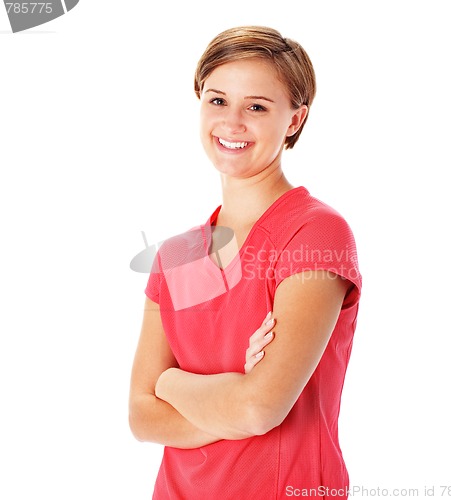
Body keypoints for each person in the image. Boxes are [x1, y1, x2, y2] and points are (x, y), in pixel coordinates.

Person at [129, 26, 362, 499]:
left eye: (256, 106)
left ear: (295, 120)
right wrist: (229, 397)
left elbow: (259, 409)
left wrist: (172, 383)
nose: (232, 122)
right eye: (217, 101)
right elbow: (141, 415)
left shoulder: (314, 234)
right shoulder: (178, 257)